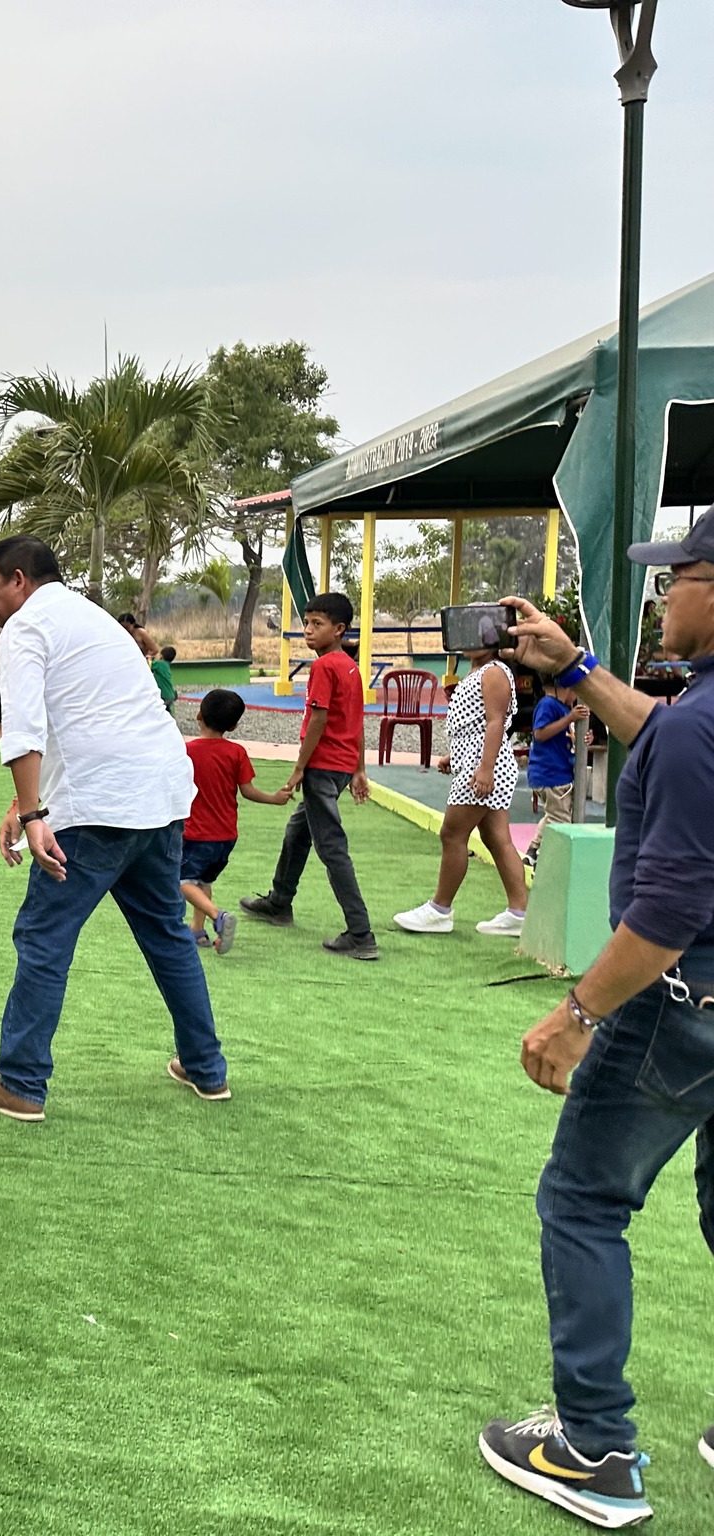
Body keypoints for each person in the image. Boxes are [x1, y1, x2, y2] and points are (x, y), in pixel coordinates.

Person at [473, 510, 714, 1530]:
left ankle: (593, 1451)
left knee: (580, 1199)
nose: (664, 596)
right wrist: (572, 669)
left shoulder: (699, 727)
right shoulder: (693, 717)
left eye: (679, 577)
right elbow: (661, 732)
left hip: (679, 1006)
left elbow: (668, 911)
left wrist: (576, 1012)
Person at [0, 534, 229, 1122]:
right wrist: (24, 802)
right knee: (168, 933)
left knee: (44, 938)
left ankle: (20, 1083)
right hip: (161, 799)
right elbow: (91, 717)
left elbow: (25, 727)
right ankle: (206, 1069)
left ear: (19, 581)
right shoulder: (95, 619)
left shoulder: (25, 628)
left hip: (97, 809)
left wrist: (33, 816)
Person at [238, 593, 376, 959]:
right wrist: (358, 768)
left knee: (331, 848)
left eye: (318, 624)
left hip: (323, 766)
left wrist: (300, 767)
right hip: (341, 766)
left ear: (339, 629)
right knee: (297, 832)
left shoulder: (325, 667)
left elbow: (319, 718)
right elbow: (356, 720)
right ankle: (279, 902)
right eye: (307, 623)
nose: (308, 630)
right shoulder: (350, 667)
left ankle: (361, 934)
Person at [393, 639, 529, 938]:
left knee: (452, 834)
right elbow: (474, 725)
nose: (468, 640)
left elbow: (495, 723)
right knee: (497, 838)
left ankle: (440, 910)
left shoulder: (493, 672)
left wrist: (485, 769)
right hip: (478, 763)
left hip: (484, 766)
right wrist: (454, 757)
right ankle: (519, 912)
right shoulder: (479, 671)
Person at [182, 689, 293, 953]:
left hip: (196, 834)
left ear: (198, 715)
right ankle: (197, 931)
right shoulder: (237, 753)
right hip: (226, 836)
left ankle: (217, 916)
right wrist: (275, 798)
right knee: (203, 882)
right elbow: (248, 791)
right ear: (233, 726)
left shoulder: (186, 752)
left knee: (182, 881)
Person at [524, 679, 589, 868]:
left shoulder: (563, 709)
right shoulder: (548, 705)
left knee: (553, 815)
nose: (576, 697)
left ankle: (533, 850)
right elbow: (540, 734)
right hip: (552, 774)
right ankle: (546, 860)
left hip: (556, 773)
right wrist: (569, 719)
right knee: (561, 823)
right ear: (564, 688)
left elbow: (568, 738)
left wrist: (584, 737)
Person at [152, 645, 179, 714]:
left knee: (159, 710)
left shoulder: (160, 664)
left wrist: (148, 658)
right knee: (167, 711)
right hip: (170, 695)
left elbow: (149, 664)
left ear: (161, 656)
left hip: (164, 695)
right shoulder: (166, 665)